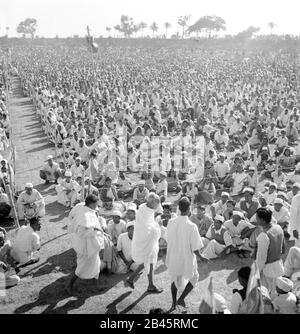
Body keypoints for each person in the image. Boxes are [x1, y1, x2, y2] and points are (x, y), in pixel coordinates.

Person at [166, 197, 205, 310]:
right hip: (186, 258)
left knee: (174, 279)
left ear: (179, 208)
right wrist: (201, 257)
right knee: (195, 277)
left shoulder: (171, 222)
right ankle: (181, 298)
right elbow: (195, 247)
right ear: (189, 209)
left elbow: (167, 238)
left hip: (174, 256)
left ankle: (174, 303)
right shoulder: (192, 226)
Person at [66, 194, 104, 295]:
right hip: (85, 246)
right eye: (95, 204)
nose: (97, 206)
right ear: (91, 204)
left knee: (96, 264)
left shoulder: (88, 210)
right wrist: (94, 230)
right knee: (82, 267)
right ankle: (69, 284)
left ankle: (96, 286)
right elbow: (82, 232)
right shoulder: (84, 214)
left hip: (92, 245)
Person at [126, 193, 163, 293]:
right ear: (152, 203)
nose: (157, 206)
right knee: (149, 262)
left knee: (147, 262)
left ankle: (131, 279)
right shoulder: (145, 212)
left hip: (146, 240)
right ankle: (150, 286)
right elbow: (148, 229)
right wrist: (158, 225)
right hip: (145, 241)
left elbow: (150, 225)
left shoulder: (144, 208)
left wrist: (155, 222)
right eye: (156, 204)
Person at [255, 208, 285, 298]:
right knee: (278, 288)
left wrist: (257, 272)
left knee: (269, 293)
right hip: (279, 264)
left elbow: (261, 258)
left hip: (269, 269)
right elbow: (283, 247)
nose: (256, 219)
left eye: (257, 218)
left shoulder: (263, 236)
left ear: (262, 220)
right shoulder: (278, 227)